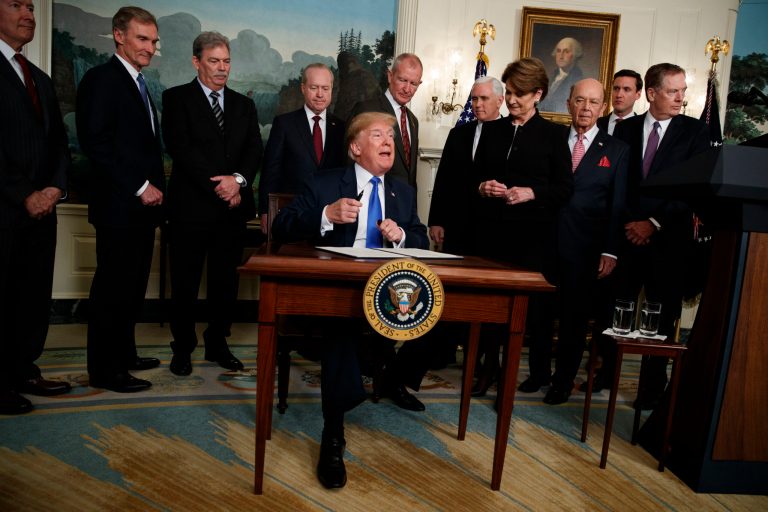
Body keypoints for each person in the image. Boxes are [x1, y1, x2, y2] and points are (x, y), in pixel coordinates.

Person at [271, 111, 429, 489]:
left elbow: (423, 241)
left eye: (391, 135)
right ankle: (333, 433)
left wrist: (402, 235)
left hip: (387, 296)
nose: (388, 141)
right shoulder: (325, 184)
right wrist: (325, 214)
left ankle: (390, 373)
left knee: (440, 307)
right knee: (343, 326)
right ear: (356, 148)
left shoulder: (402, 193)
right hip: (333, 297)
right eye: (378, 135)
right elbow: (281, 226)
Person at [161, 32, 263, 376]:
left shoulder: (243, 105)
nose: (222, 69)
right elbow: (181, 149)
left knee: (224, 285)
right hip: (190, 208)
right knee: (186, 284)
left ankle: (217, 344)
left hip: (232, 210)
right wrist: (220, 184)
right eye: (214, 61)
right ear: (196, 62)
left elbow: (253, 151)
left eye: (226, 61)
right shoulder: (176, 99)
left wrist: (238, 182)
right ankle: (183, 348)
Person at [608, 63, 709, 409]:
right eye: (673, 91)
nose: (681, 97)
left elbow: (695, 188)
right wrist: (631, 224)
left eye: (683, 91)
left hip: (668, 243)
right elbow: (614, 186)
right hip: (625, 237)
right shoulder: (625, 131)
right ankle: (606, 375)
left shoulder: (695, 132)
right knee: (615, 311)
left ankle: (651, 390)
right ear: (652, 93)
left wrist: (652, 222)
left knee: (660, 318)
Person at [471, 57, 573, 397]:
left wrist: (532, 192)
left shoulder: (554, 136)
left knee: (535, 314)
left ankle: (536, 373)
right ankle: (489, 369)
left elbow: (564, 188)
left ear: (538, 94)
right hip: (492, 236)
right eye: (510, 92)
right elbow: (473, 179)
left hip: (533, 240)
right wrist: (482, 187)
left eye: (520, 94)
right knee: (490, 309)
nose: (511, 99)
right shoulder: (493, 130)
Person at [76, 6, 164, 393]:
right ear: (119, 36)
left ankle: (124, 354)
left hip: (140, 211)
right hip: (118, 207)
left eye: (153, 41)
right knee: (112, 290)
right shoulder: (102, 79)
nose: (150, 47)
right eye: (142, 39)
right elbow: (96, 144)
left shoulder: (140, 83)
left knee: (131, 287)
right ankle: (105, 370)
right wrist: (141, 187)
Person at [536, 78, 629, 405]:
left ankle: (562, 383)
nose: (585, 108)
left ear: (602, 108)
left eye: (593, 102)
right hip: (546, 244)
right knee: (541, 315)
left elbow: (618, 205)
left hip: (586, 250)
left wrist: (610, 250)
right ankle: (537, 374)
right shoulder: (553, 139)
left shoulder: (617, 151)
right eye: (579, 100)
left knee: (574, 320)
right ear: (569, 104)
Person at [0, 0, 71, 414]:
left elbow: (59, 143)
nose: (28, 13)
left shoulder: (39, 79)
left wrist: (54, 189)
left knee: (32, 294)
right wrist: (23, 192)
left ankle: (23, 369)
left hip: (44, 209)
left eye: (31, 5)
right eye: (16, 4)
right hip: (6, 209)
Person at [259, 63, 345, 234]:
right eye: (314, 88)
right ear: (303, 88)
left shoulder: (341, 127)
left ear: (331, 90)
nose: (320, 94)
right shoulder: (284, 124)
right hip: (292, 213)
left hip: (331, 219)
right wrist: (265, 211)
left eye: (325, 88)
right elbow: (270, 171)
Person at [429, 75, 504, 253]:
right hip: (457, 226)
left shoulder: (511, 133)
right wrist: (436, 221)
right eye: (474, 98)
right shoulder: (458, 134)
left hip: (494, 228)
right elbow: (443, 179)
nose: (477, 104)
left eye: (484, 98)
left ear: (500, 101)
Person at [349, 53, 422, 188]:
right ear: (390, 76)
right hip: (373, 200)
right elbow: (349, 161)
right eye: (402, 80)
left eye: (413, 83)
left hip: (402, 203)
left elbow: (409, 175)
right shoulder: (367, 109)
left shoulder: (413, 121)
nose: (407, 89)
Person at [539, 37, 583, 113]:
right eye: (558, 51)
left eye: (566, 51)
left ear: (575, 55)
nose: (561, 56)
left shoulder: (578, 79)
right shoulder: (550, 76)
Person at [597, 69, 643, 135]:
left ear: (638, 95)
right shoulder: (596, 124)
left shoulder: (642, 127)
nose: (619, 95)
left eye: (626, 89)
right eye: (616, 88)